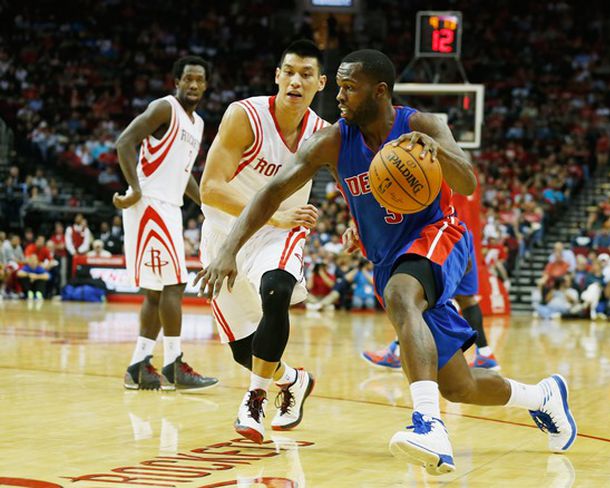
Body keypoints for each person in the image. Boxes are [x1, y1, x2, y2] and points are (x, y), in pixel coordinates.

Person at [195, 49, 576, 475]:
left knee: (401, 295)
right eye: (338, 86)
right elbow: (272, 192)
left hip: (438, 236)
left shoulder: (422, 125)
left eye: (348, 88)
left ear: (380, 92)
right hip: (389, 257)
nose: (338, 96)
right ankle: (542, 397)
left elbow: (466, 181)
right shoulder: (332, 140)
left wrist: (436, 151)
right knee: (459, 385)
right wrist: (228, 248)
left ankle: (429, 426)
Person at [198, 40, 327, 442]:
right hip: (225, 232)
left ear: (320, 83)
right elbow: (210, 188)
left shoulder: (324, 135)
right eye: (288, 71)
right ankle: (293, 380)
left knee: (276, 289)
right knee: (243, 348)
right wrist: (273, 212)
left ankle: (254, 399)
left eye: (306, 74)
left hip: (281, 231)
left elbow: (356, 185)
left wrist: (360, 224)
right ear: (277, 76)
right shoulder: (245, 116)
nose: (295, 80)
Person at [114, 55, 218, 392]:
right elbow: (125, 142)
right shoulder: (164, 108)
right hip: (150, 204)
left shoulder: (198, 124)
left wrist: (208, 205)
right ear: (176, 81)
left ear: (206, 85)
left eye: (199, 80)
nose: (193, 85)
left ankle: (138, 366)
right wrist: (134, 188)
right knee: (173, 285)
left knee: (157, 292)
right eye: (187, 78)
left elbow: (184, 174)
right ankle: (173, 365)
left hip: (170, 206)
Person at [361, 171, 500, 370]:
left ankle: (398, 351)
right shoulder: (470, 180)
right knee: (464, 298)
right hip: (464, 235)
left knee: (416, 296)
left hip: (445, 235)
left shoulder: (438, 173)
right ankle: (485, 353)